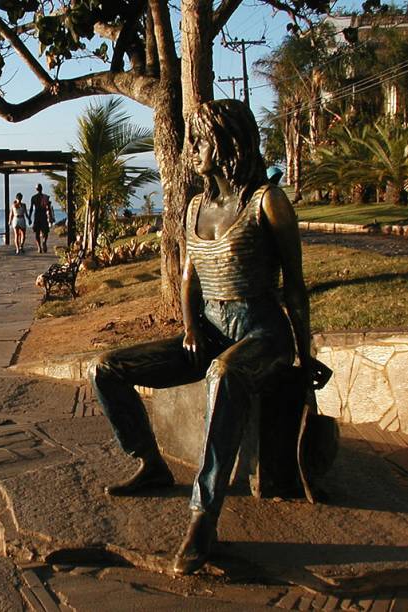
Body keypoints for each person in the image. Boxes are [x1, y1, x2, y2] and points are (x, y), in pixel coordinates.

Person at [88, 99, 326, 576]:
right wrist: (191, 326)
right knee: (108, 367)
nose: (190, 150)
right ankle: (150, 463)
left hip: (262, 331)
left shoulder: (268, 202)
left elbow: (295, 288)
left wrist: (303, 355)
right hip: (209, 330)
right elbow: (190, 275)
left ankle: (203, 517)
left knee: (225, 373)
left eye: (198, 140)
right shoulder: (195, 205)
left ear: (226, 144)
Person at [30, 183, 55, 253]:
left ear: (36, 189)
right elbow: (48, 208)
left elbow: (31, 208)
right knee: (45, 231)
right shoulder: (46, 197)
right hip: (43, 215)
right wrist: (50, 216)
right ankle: (44, 241)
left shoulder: (34, 197)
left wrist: (29, 217)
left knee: (37, 233)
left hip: (37, 215)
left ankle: (39, 247)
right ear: (41, 189)